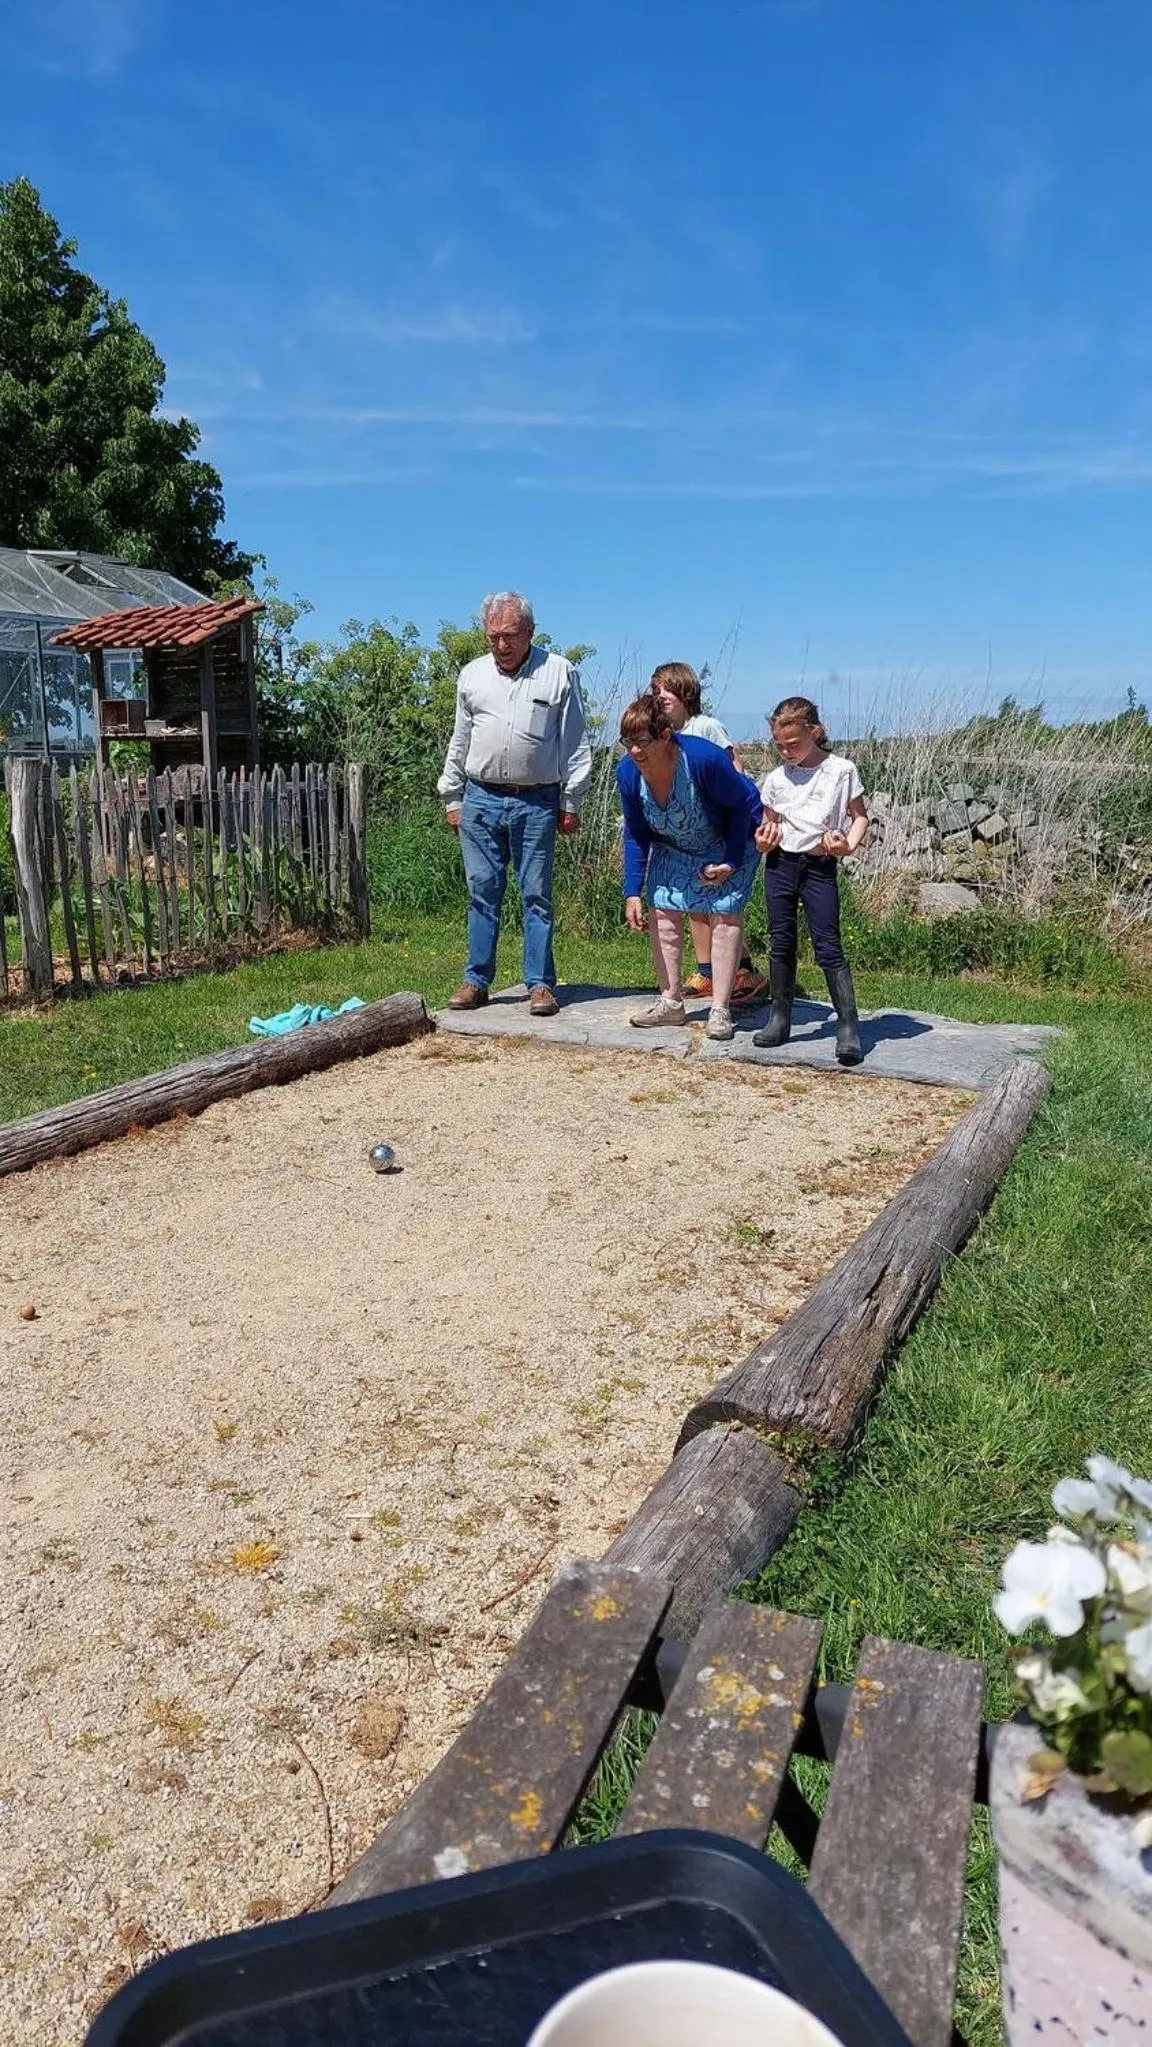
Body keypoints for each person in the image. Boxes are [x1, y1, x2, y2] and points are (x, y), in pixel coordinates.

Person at [438, 592, 591, 1016]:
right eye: (493, 637)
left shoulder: (559, 672)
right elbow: (460, 738)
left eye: (510, 636)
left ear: (530, 632)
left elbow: (575, 742)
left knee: (536, 894)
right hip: (480, 797)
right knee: (482, 892)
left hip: (538, 800)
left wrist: (572, 800)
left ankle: (539, 984)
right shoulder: (472, 675)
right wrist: (453, 795)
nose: (502, 645)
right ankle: (476, 980)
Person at [615, 692, 762, 1042]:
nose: (634, 751)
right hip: (676, 844)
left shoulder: (703, 760)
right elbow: (636, 833)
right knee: (662, 910)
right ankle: (670, 1001)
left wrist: (731, 861)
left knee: (724, 917)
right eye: (627, 741)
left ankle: (720, 1009)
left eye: (642, 741)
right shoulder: (628, 773)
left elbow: (741, 808)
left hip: (731, 837)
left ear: (665, 736)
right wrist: (632, 891)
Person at [753, 694, 869, 1064]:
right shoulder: (775, 779)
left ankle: (848, 1024)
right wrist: (762, 839)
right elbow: (767, 823)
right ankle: (780, 1017)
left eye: (793, 744)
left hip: (820, 867)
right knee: (781, 940)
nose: (786, 752)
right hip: (780, 865)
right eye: (779, 746)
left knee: (828, 943)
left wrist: (846, 846)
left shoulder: (841, 771)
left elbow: (860, 816)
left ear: (814, 731)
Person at [649, 662, 767, 1006]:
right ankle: (707, 971)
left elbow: (734, 768)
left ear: (684, 692)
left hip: (716, 827)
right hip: (692, 832)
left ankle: (743, 968)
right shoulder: (667, 733)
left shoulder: (705, 726)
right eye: (654, 692)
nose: (658, 698)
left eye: (664, 692)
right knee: (695, 905)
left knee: (718, 904)